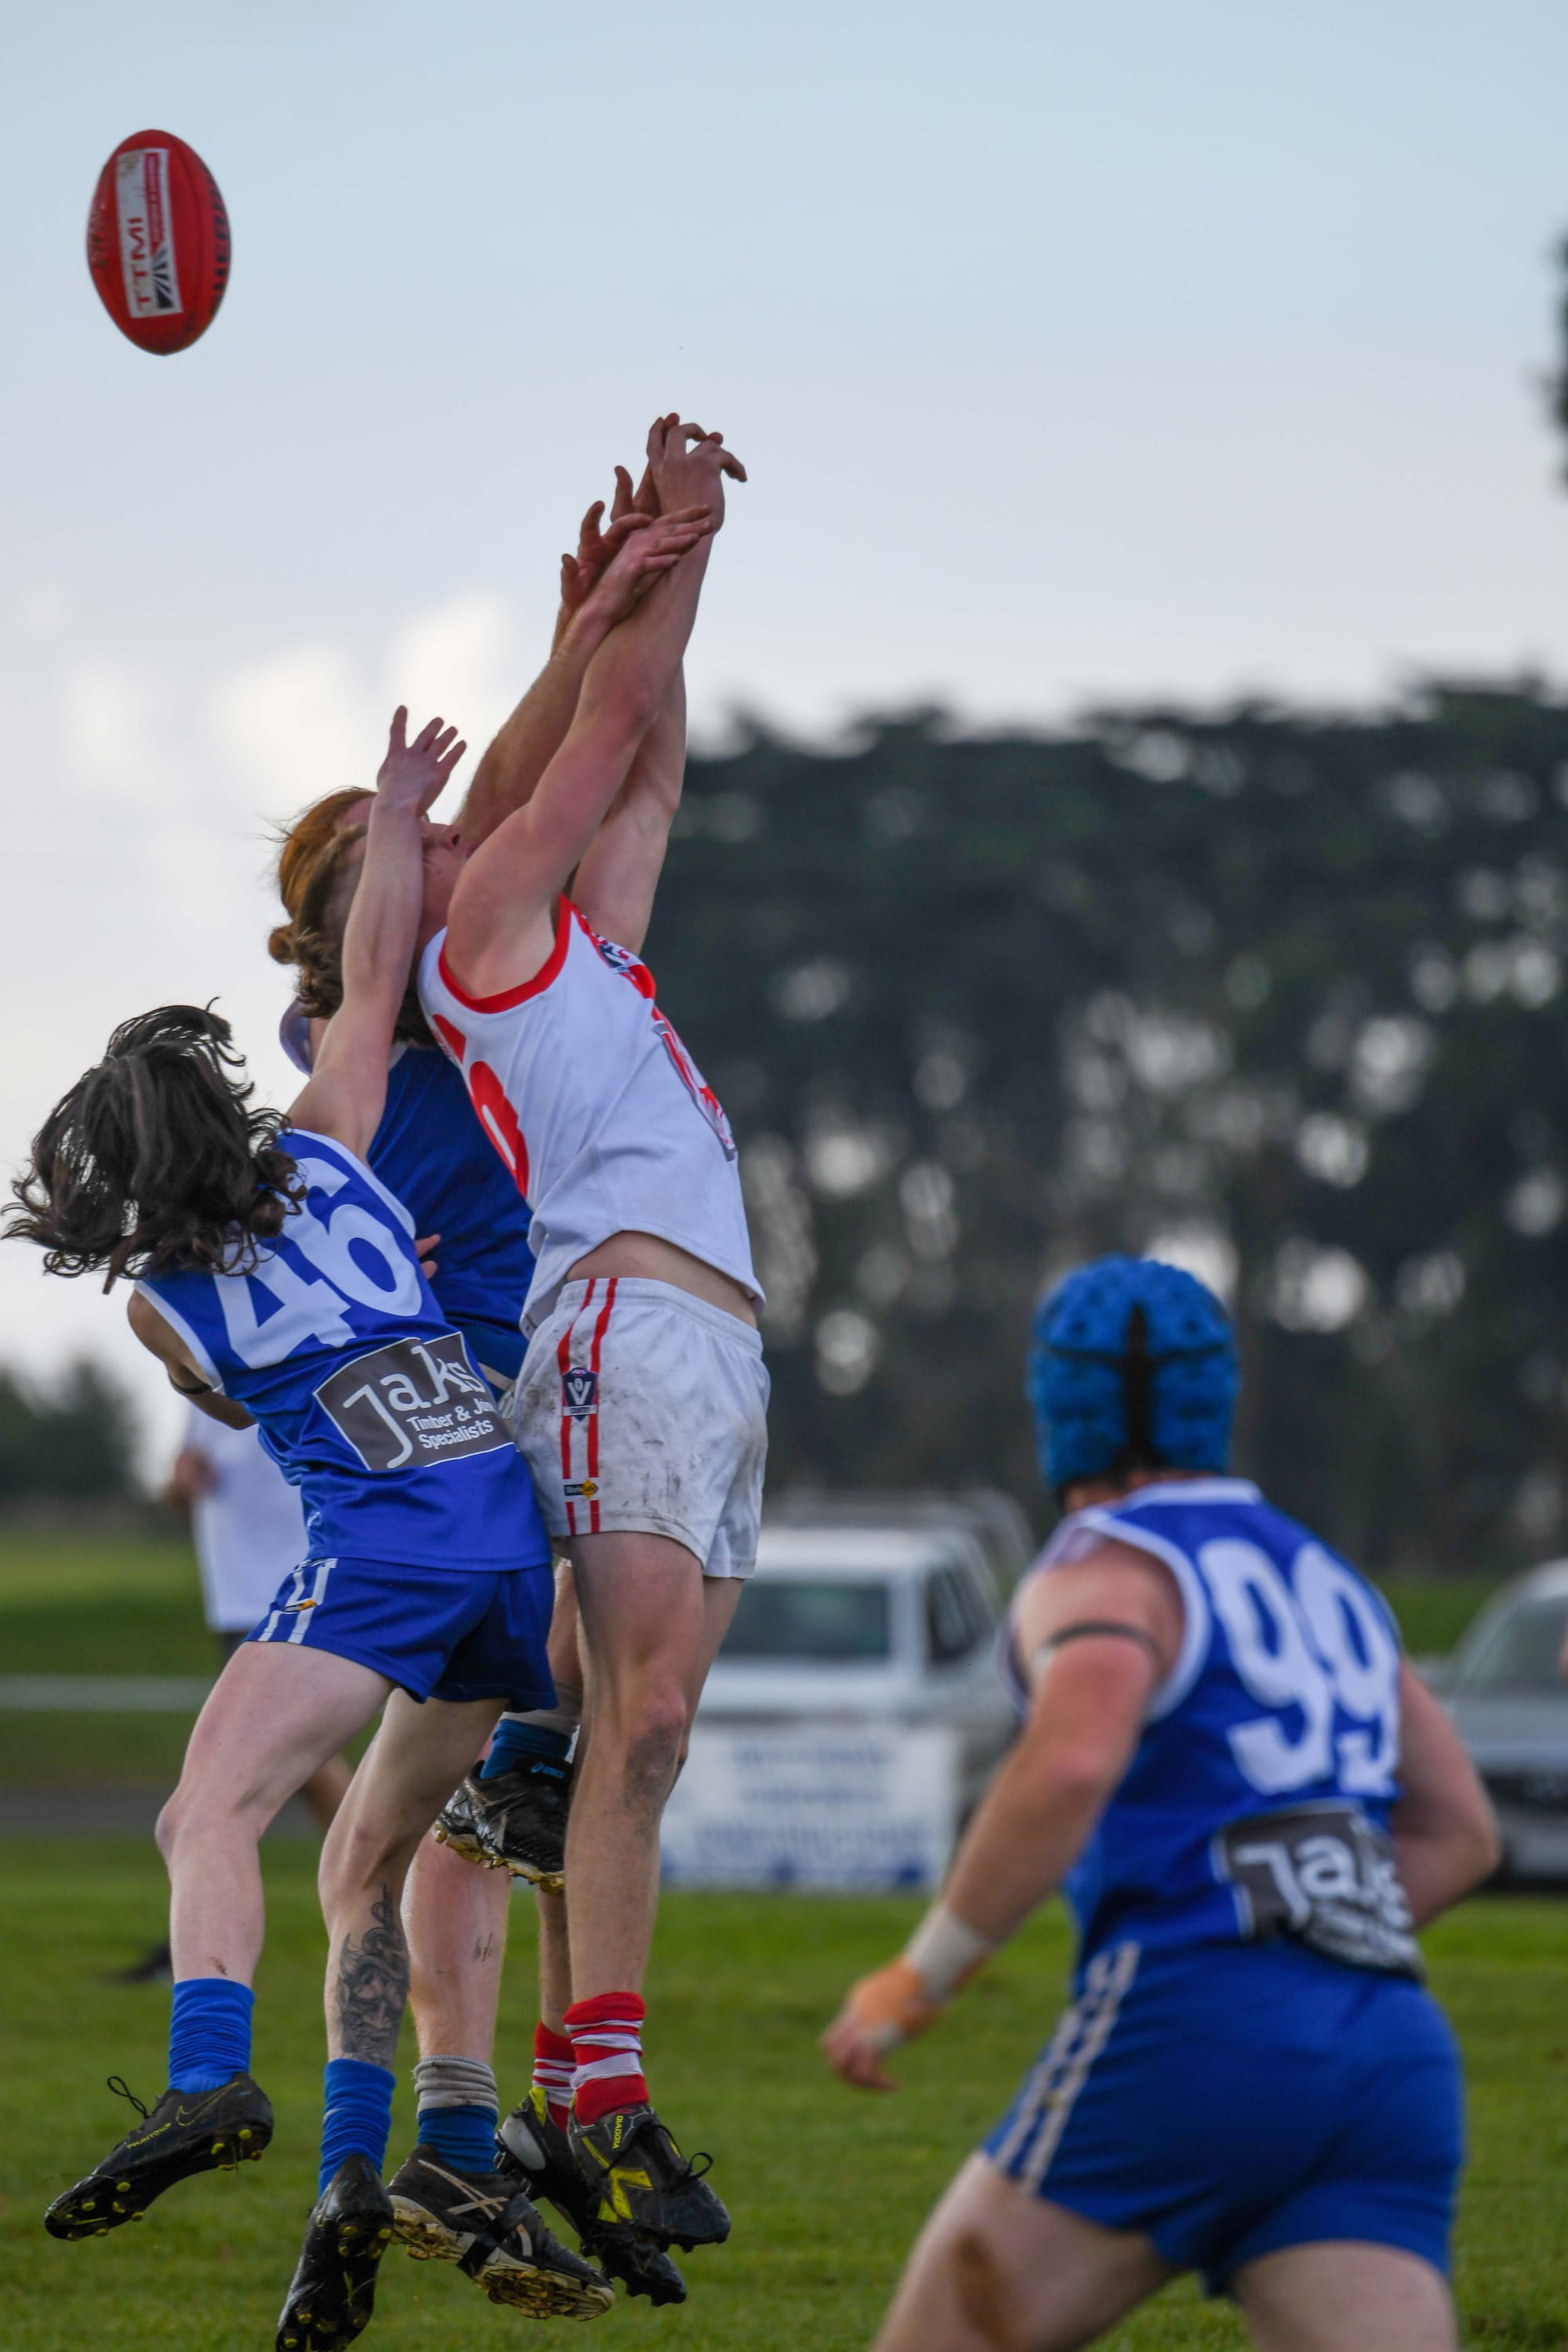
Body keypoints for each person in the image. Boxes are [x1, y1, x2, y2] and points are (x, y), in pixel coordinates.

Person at [6, 713, 612, 2347]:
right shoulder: (339, 1147)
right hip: (511, 1549)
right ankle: (381, 2172)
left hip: (389, 1554)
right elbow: (362, 996)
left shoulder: (162, 1304)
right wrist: (405, 822)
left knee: (208, 1810)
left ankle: (208, 2078)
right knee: (375, 1863)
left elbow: (229, 1399)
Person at [263, 449, 702, 2304]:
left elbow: (571, 767)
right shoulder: (421, 989)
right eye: (415, 847)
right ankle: (485, 2129)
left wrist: (589, 618)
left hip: (482, 1410)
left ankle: (464, 2137)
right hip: (488, 1412)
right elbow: (546, 776)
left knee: (485, 1801)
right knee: (503, 1785)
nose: (456, 840)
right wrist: (592, 621)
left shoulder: (403, 995)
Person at [822, 1254, 1499, 2352]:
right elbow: (1461, 1834)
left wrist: (922, 1974)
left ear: (1063, 1412)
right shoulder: (1328, 1577)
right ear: (1211, 1404)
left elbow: (1074, 1761)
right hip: (1390, 2050)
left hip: (1195, 2031)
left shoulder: (1104, 1566)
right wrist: (1310, 1936)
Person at [414, 416, 760, 2253]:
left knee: (630, 1735)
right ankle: (602, 2100)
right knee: (643, 1715)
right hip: (623, 1323)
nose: (502, 813)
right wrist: (642, 580)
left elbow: (647, 757)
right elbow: (599, 740)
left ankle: (567, 2098)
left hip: (708, 1349)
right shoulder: (481, 931)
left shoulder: (584, 955)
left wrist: (666, 580)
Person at [168, 1407, 351, 1830]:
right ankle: (366, 1867)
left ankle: (370, 1862)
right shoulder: (204, 1385)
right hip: (236, 1600)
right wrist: (184, 1479)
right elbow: (183, 1475)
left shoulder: (316, 1370)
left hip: (299, 1590)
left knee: (288, 1747)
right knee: (293, 1755)